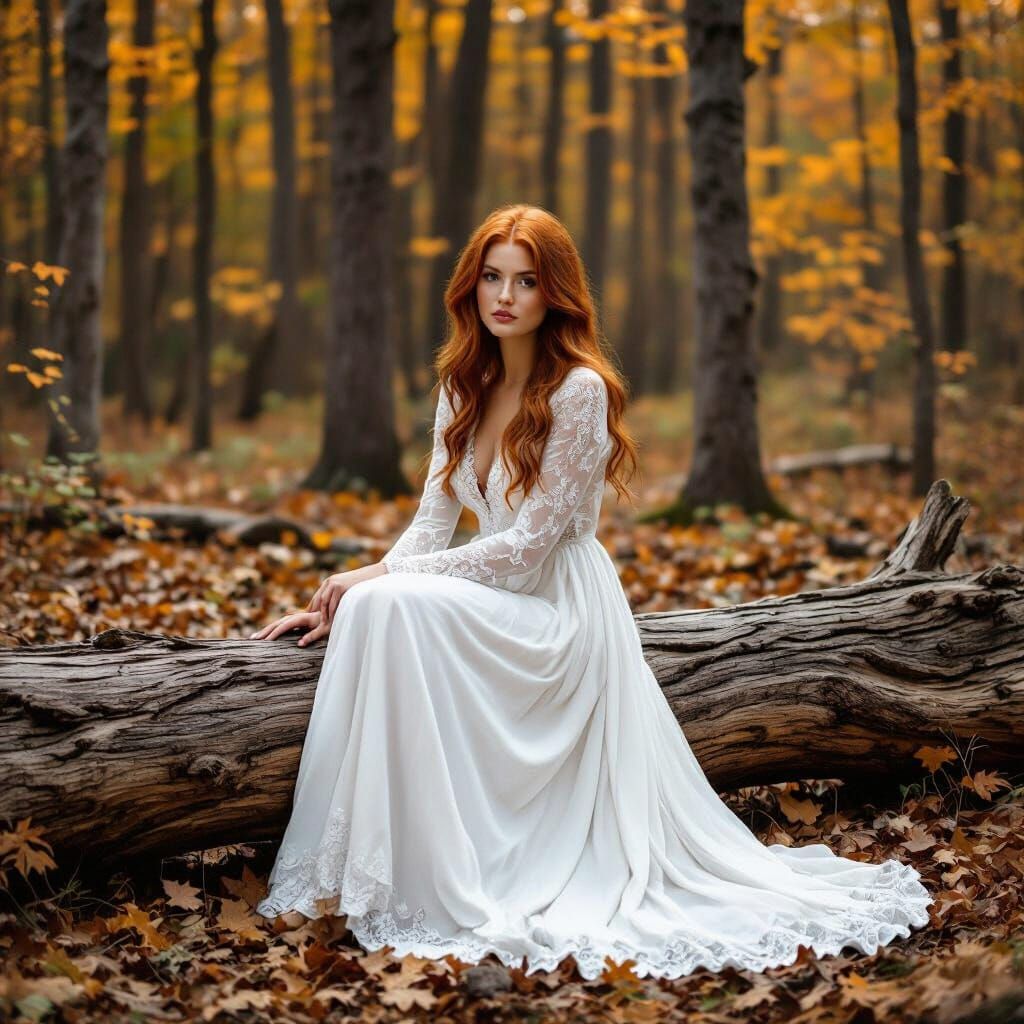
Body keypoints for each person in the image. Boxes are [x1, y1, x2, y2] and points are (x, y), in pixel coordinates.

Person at [249, 204, 933, 979]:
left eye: (527, 281)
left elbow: (526, 548)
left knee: (388, 599)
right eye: (492, 278)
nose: (504, 297)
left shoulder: (579, 390)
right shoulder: (460, 383)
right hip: (486, 592)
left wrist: (382, 578)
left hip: (558, 608)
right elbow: (432, 522)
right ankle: (378, 865)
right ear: (470, 289)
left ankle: (451, 867)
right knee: (373, 607)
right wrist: (344, 591)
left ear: (556, 294)